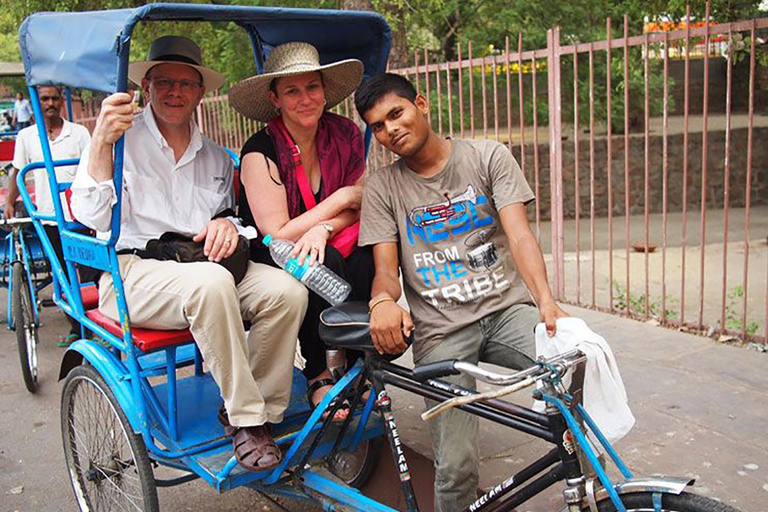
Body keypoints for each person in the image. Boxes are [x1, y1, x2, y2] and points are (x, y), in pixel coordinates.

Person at [71, 35, 308, 472]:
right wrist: (101, 141)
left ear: (201, 92)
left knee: (286, 290)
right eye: (163, 82)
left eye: (185, 84)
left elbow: (232, 218)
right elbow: (92, 216)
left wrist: (226, 225)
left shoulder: (216, 157)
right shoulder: (119, 143)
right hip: (132, 272)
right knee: (213, 283)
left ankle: (262, 410)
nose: (174, 92)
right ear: (147, 87)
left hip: (200, 266)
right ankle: (247, 419)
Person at [354, 73, 569, 512]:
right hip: (441, 330)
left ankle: (590, 490)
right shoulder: (382, 186)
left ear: (422, 103)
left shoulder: (488, 155)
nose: (390, 129)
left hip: (507, 311)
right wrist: (382, 303)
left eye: (396, 113)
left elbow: (521, 236)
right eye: (378, 125)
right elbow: (384, 271)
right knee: (456, 465)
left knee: (577, 372)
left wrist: (547, 302)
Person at [229, 42, 373, 419]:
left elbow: (361, 205)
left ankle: (359, 360)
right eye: (292, 91)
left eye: (312, 87)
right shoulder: (259, 150)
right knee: (317, 262)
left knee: (370, 251)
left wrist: (323, 227)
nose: (305, 99)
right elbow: (275, 232)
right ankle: (318, 371)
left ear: (324, 90)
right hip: (269, 250)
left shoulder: (344, 134)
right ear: (275, 99)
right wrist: (339, 197)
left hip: (329, 235)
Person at [5, 85, 94, 346]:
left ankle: (99, 324)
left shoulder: (78, 133)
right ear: (36, 103)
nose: (50, 103)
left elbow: (94, 165)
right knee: (63, 275)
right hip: (47, 216)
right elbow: (18, 171)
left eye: (55, 98)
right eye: (44, 98)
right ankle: (77, 327)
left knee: (91, 271)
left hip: (80, 214)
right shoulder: (26, 136)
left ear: (62, 102)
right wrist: (10, 202)